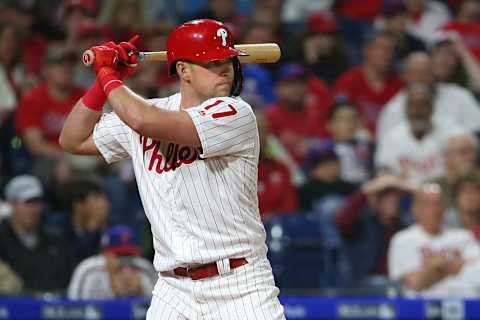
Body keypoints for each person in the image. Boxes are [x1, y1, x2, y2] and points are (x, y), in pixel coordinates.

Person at [59, 19, 285, 319]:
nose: (224, 69)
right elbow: (72, 139)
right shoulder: (150, 108)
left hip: (239, 283)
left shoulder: (235, 113)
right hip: (173, 288)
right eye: (212, 62)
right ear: (183, 70)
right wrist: (103, 84)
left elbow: (141, 120)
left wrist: (108, 74)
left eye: (228, 60)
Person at [388, 183, 480, 298]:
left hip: (468, 306)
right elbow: (415, 284)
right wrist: (455, 264)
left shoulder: (463, 236)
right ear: (415, 209)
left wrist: (438, 267)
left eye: (438, 203)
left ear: (445, 208)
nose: (434, 209)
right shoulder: (403, 239)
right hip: (420, 310)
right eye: (427, 204)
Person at [0, 175, 74, 295]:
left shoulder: (56, 241)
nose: (34, 209)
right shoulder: (2, 242)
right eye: (28, 202)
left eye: (37, 202)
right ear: (11, 204)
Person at [68, 225, 156, 300]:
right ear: (104, 254)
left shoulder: (144, 270)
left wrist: (139, 293)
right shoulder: (89, 271)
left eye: (129, 255)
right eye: (119, 255)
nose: (125, 261)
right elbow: (72, 310)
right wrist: (113, 293)